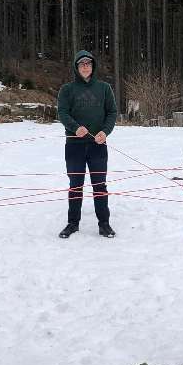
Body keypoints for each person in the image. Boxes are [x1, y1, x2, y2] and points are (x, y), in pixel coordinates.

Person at [56, 50, 118, 239]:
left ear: (93, 66)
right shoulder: (67, 90)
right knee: (75, 185)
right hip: (74, 145)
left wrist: (104, 132)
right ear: (76, 67)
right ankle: (73, 223)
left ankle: (104, 224)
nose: (85, 66)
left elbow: (112, 113)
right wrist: (75, 128)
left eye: (88, 63)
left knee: (99, 185)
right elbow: (63, 113)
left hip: (97, 145)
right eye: (82, 64)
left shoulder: (104, 88)